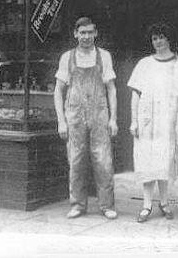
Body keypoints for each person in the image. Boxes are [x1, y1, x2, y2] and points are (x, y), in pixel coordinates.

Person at [53, 16, 118, 220]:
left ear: (96, 33)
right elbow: (58, 91)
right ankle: (78, 204)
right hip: (74, 115)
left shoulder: (104, 56)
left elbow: (112, 89)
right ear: (75, 34)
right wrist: (61, 121)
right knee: (76, 159)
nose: (86, 36)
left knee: (103, 160)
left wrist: (113, 118)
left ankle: (106, 205)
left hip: (99, 114)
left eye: (90, 32)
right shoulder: (67, 57)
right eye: (82, 33)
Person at [127, 22, 178, 223]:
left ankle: (164, 202)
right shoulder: (144, 64)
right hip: (147, 121)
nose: (158, 42)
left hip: (169, 120)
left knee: (165, 161)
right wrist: (134, 121)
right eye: (154, 38)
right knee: (147, 162)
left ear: (169, 38)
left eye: (161, 37)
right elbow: (135, 94)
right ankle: (146, 205)